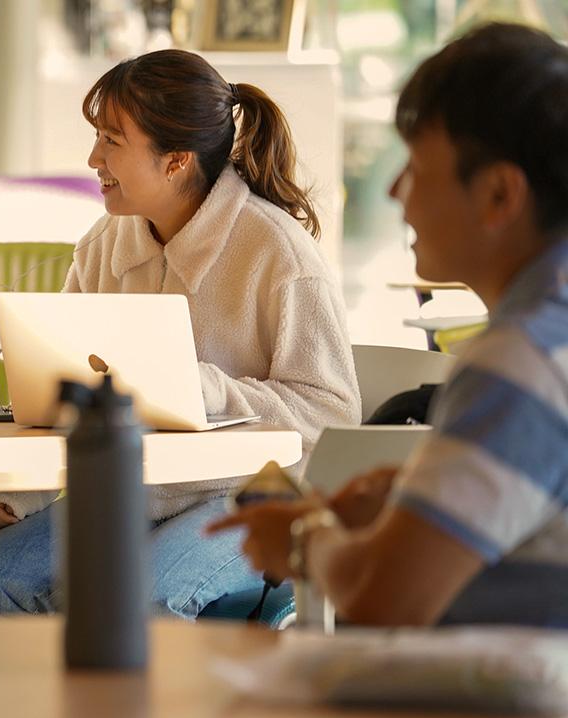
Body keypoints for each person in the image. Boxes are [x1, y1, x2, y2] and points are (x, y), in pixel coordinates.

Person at [0, 49, 361, 618]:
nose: (93, 157)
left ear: (175, 160)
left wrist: (206, 390)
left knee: (142, 600)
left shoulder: (279, 254)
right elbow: (61, 391)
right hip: (131, 496)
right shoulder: (104, 244)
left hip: (253, 501)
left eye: (111, 141)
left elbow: (333, 413)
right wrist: (24, 495)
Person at [209, 23, 568, 627]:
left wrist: (301, 539)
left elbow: (385, 599)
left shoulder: (521, 356)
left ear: (500, 195)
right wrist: (413, 493)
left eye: (419, 168)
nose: (398, 193)